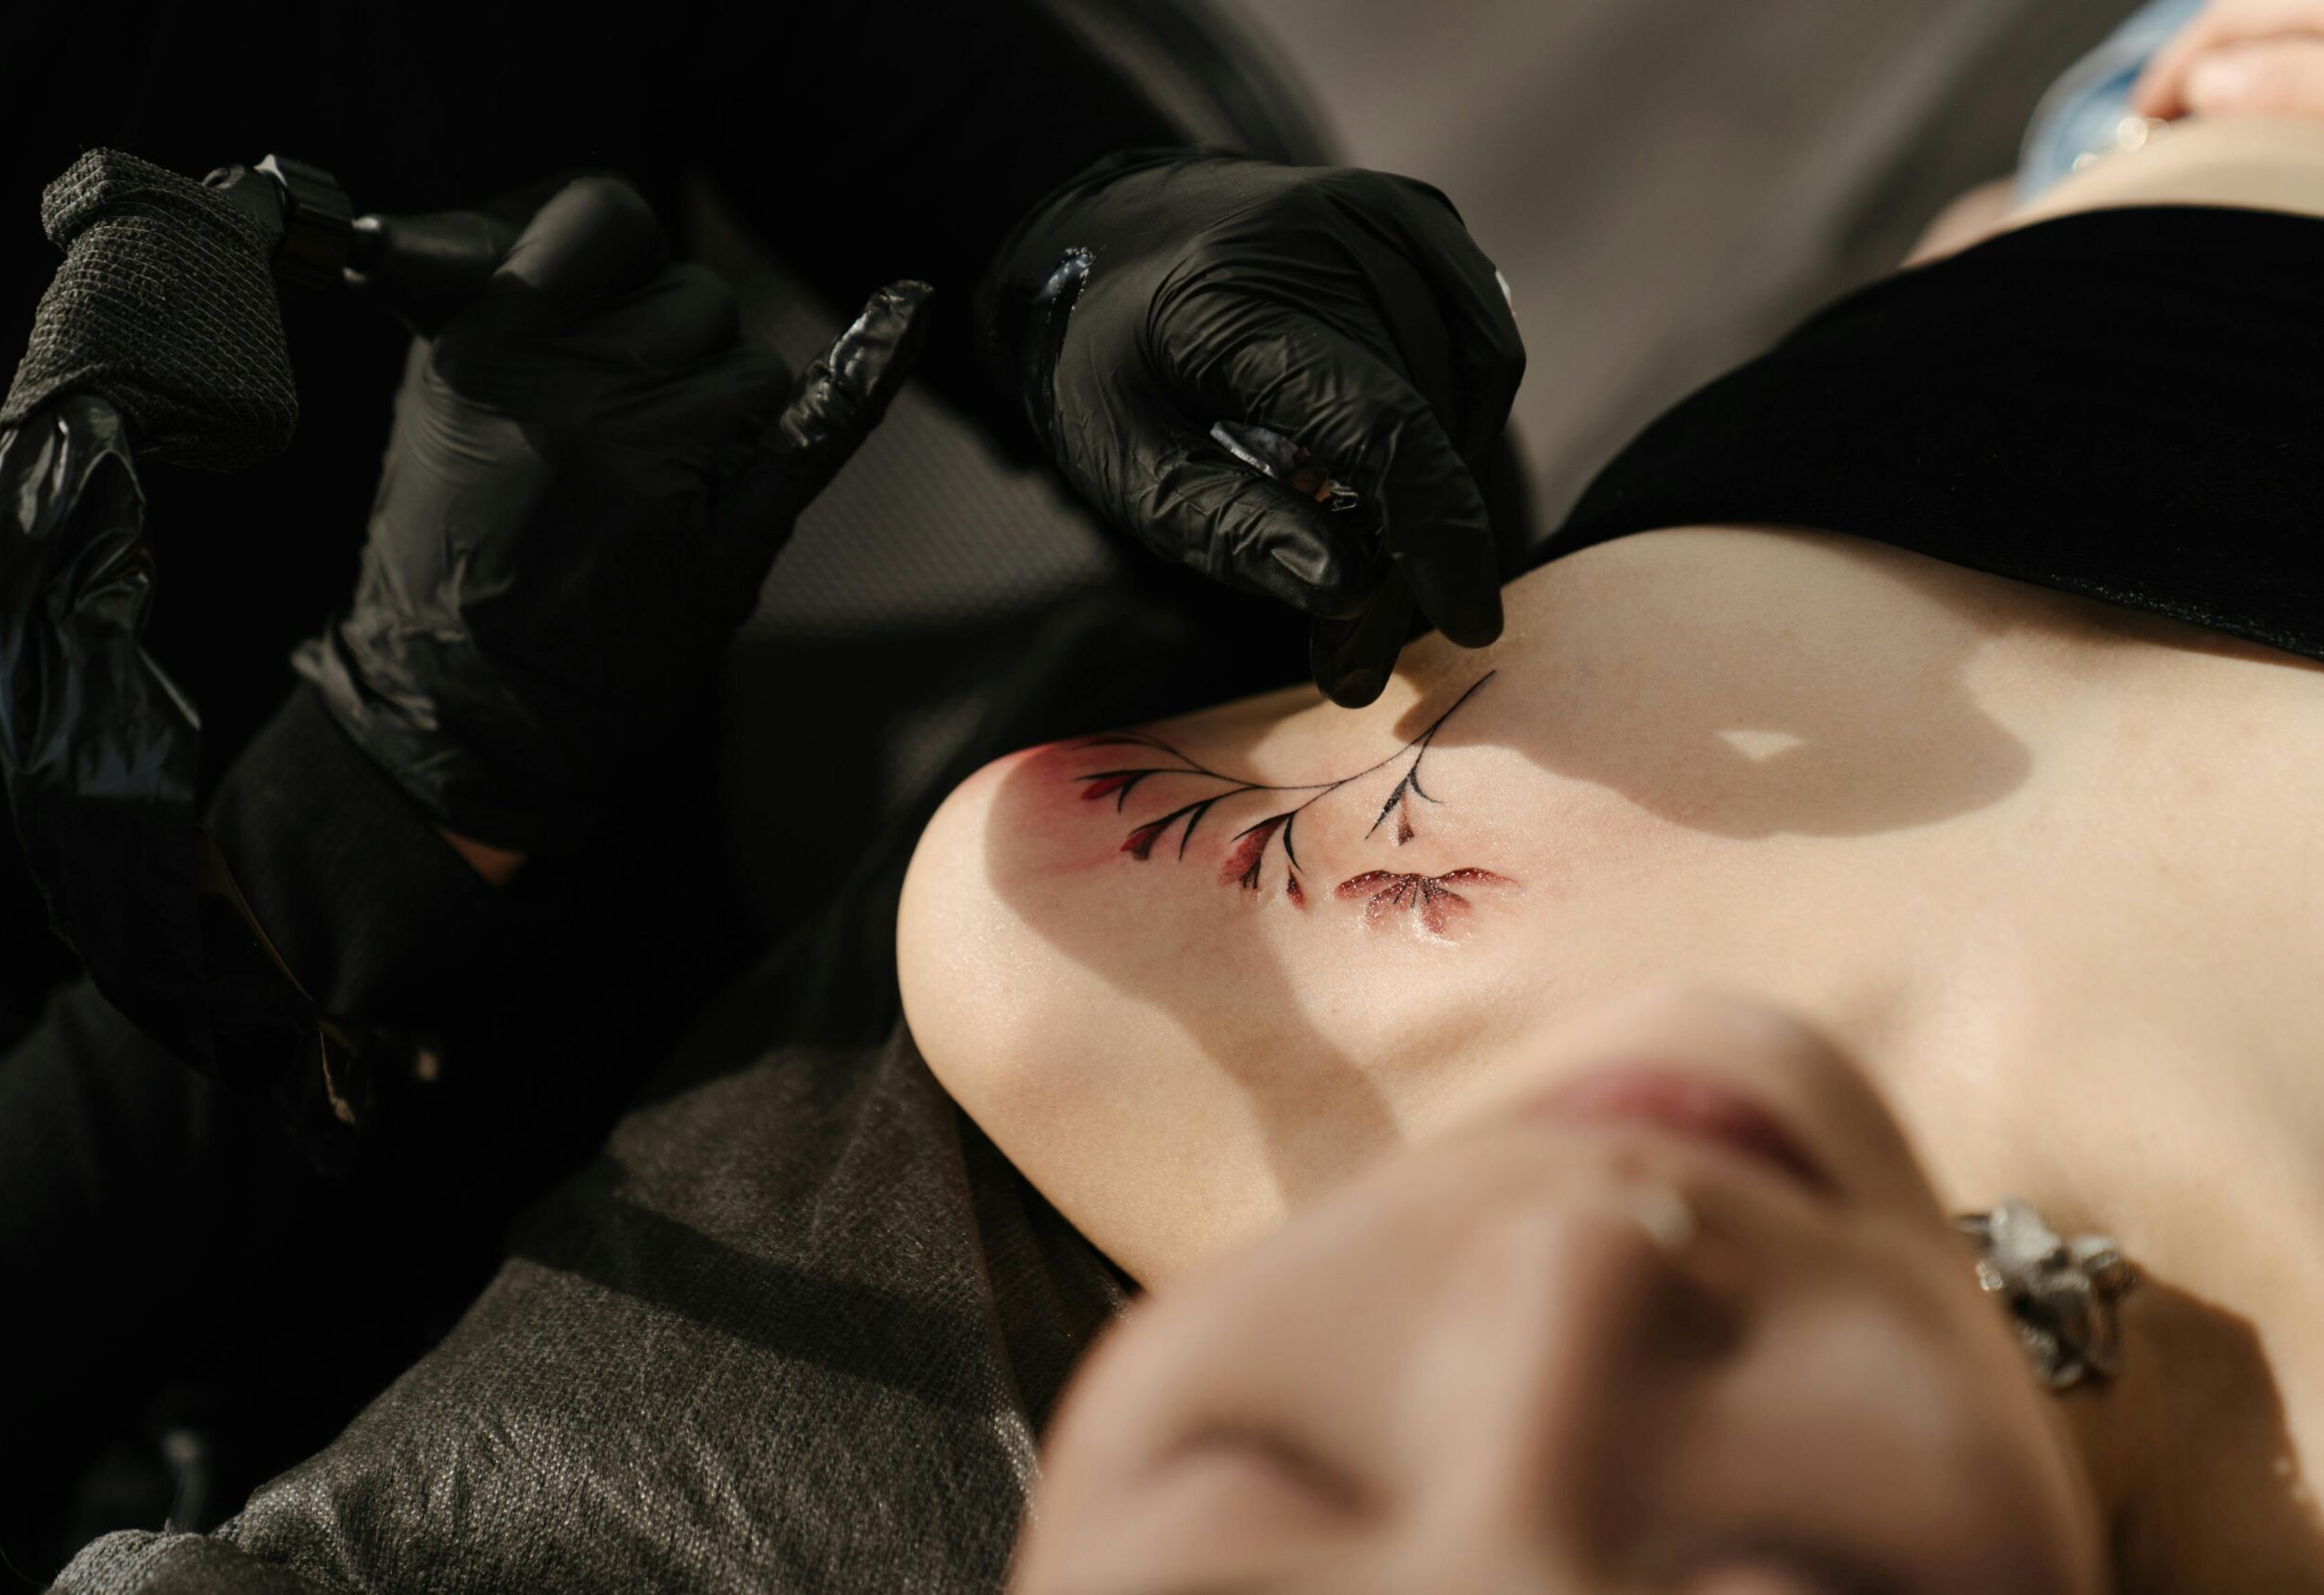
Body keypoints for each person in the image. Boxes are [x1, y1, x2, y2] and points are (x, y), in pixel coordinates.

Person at [0, 1, 1526, 1581]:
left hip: (775, 977)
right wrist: (388, 798)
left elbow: (956, 146)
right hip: (265, 1363)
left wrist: (1131, 278)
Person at [904, 2, 2324, 1588]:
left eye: (1286, 1466)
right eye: (1740, 1569)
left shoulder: (1106, 956)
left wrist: (1063, 268)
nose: (1586, 1258)